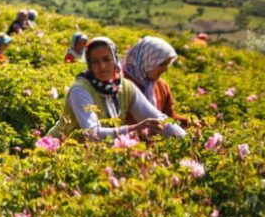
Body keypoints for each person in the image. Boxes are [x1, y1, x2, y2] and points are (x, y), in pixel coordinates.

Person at [47, 37, 185, 141]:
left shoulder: (125, 87)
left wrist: (185, 139)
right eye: (95, 61)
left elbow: (156, 117)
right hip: (60, 152)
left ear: (115, 60)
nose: (102, 66)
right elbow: (92, 133)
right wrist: (135, 129)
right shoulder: (80, 90)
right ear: (89, 64)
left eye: (106, 59)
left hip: (95, 154)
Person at [122, 36, 186, 126]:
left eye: (168, 64)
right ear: (147, 60)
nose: (166, 70)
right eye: (162, 64)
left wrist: (190, 123)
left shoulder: (162, 86)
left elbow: (170, 117)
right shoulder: (121, 84)